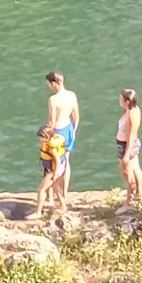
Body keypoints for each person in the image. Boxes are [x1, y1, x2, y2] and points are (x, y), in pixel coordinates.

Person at [44, 71, 80, 208]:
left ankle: (52, 197)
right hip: (69, 129)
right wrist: (74, 132)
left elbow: (52, 122)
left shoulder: (53, 99)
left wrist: (47, 136)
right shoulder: (72, 95)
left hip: (58, 132)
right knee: (66, 162)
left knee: (53, 164)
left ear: (54, 83)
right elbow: (76, 116)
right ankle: (64, 194)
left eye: (49, 84)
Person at [116, 89, 142, 204]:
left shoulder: (131, 114)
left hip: (127, 145)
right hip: (130, 144)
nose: (119, 99)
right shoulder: (132, 110)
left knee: (127, 172)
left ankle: (129, 200)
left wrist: (127, 153)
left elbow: (131, 134)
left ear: (126, 101)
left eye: (121, 98)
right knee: (135, 168)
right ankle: (138, 193)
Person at [35, 125, 68, 214]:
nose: (40, 140)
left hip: (55, 170)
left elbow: (57, 160)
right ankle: (63, 206)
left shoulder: (51, 148)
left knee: (41, 189)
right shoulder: (48, 143)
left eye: (42, 138)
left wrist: (55, 174)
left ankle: (38, 213)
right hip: (56, 168)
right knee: (55, 186)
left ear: (47, 137)